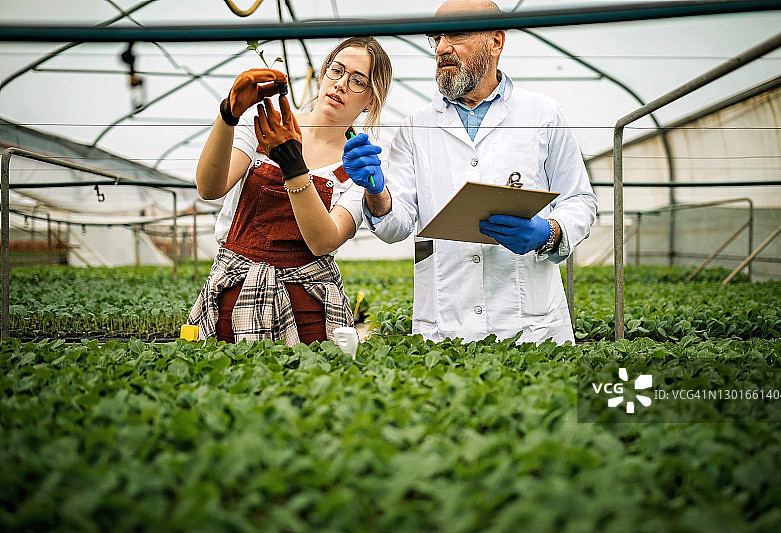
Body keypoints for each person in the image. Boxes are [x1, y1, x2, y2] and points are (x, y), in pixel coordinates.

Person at [342, 0, 597, 345]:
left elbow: (580, 200)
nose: (442, 48)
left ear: (496, 41)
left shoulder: (544, 114)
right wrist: (376, 191)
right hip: (444, 327)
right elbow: (395, 225)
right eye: (436, 38)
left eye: (457, 34)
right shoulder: (415, 127)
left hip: (530, 327)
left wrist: (548, 232)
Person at [188, 37, 392, 345]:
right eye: (337, 71)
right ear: (323, 74)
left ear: (371, 101)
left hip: (308, 311)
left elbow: (323, 241)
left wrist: (294, 168)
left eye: (357, 81)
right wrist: (228, 114)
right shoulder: (267, 126)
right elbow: (209, 187)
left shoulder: (360, 161)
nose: (340, 84)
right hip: (235, 297)